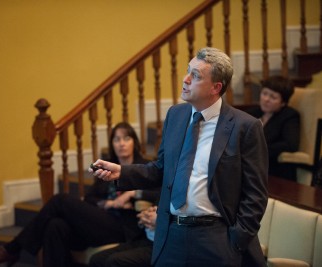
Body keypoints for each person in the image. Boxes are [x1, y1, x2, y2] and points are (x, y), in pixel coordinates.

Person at [90, 47, 269, 267]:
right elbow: (161, 169)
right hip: (171, 235)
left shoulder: (245, 127)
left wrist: (236, 241)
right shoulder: (175, 115)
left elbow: (256, 195)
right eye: (187, 71)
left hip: (216, 239)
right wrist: (122, 171)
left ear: (216, 87)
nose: (185, 79)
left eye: (195, 76)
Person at [0, 122, 160, 267]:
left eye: (126, 138)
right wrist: (109, 204)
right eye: (117, 139)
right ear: (112, 144)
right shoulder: (107, 167)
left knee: (60, 200)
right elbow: (91, 198)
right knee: (56, 225)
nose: (121, 143)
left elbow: (158, 189)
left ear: (134, 142)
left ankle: (14, 248)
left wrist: (132, 194)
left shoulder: (144, 166)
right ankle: (15, 250)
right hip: (101, 220)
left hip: (124, 227)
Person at [246, 75, 300, 181]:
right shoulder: (252, 113)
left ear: (283, 103)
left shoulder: (289, 116)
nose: (266, 99)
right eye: (264, 93)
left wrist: (258, 148)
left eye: (273, 97)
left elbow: (290, 145)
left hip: (275, 170)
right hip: (250, 166)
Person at [89, 205, 157, 267]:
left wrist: (160, 220)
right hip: (145, 238)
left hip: (160, 247)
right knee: (97, 259)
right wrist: (145, 217)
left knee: (115, 261)